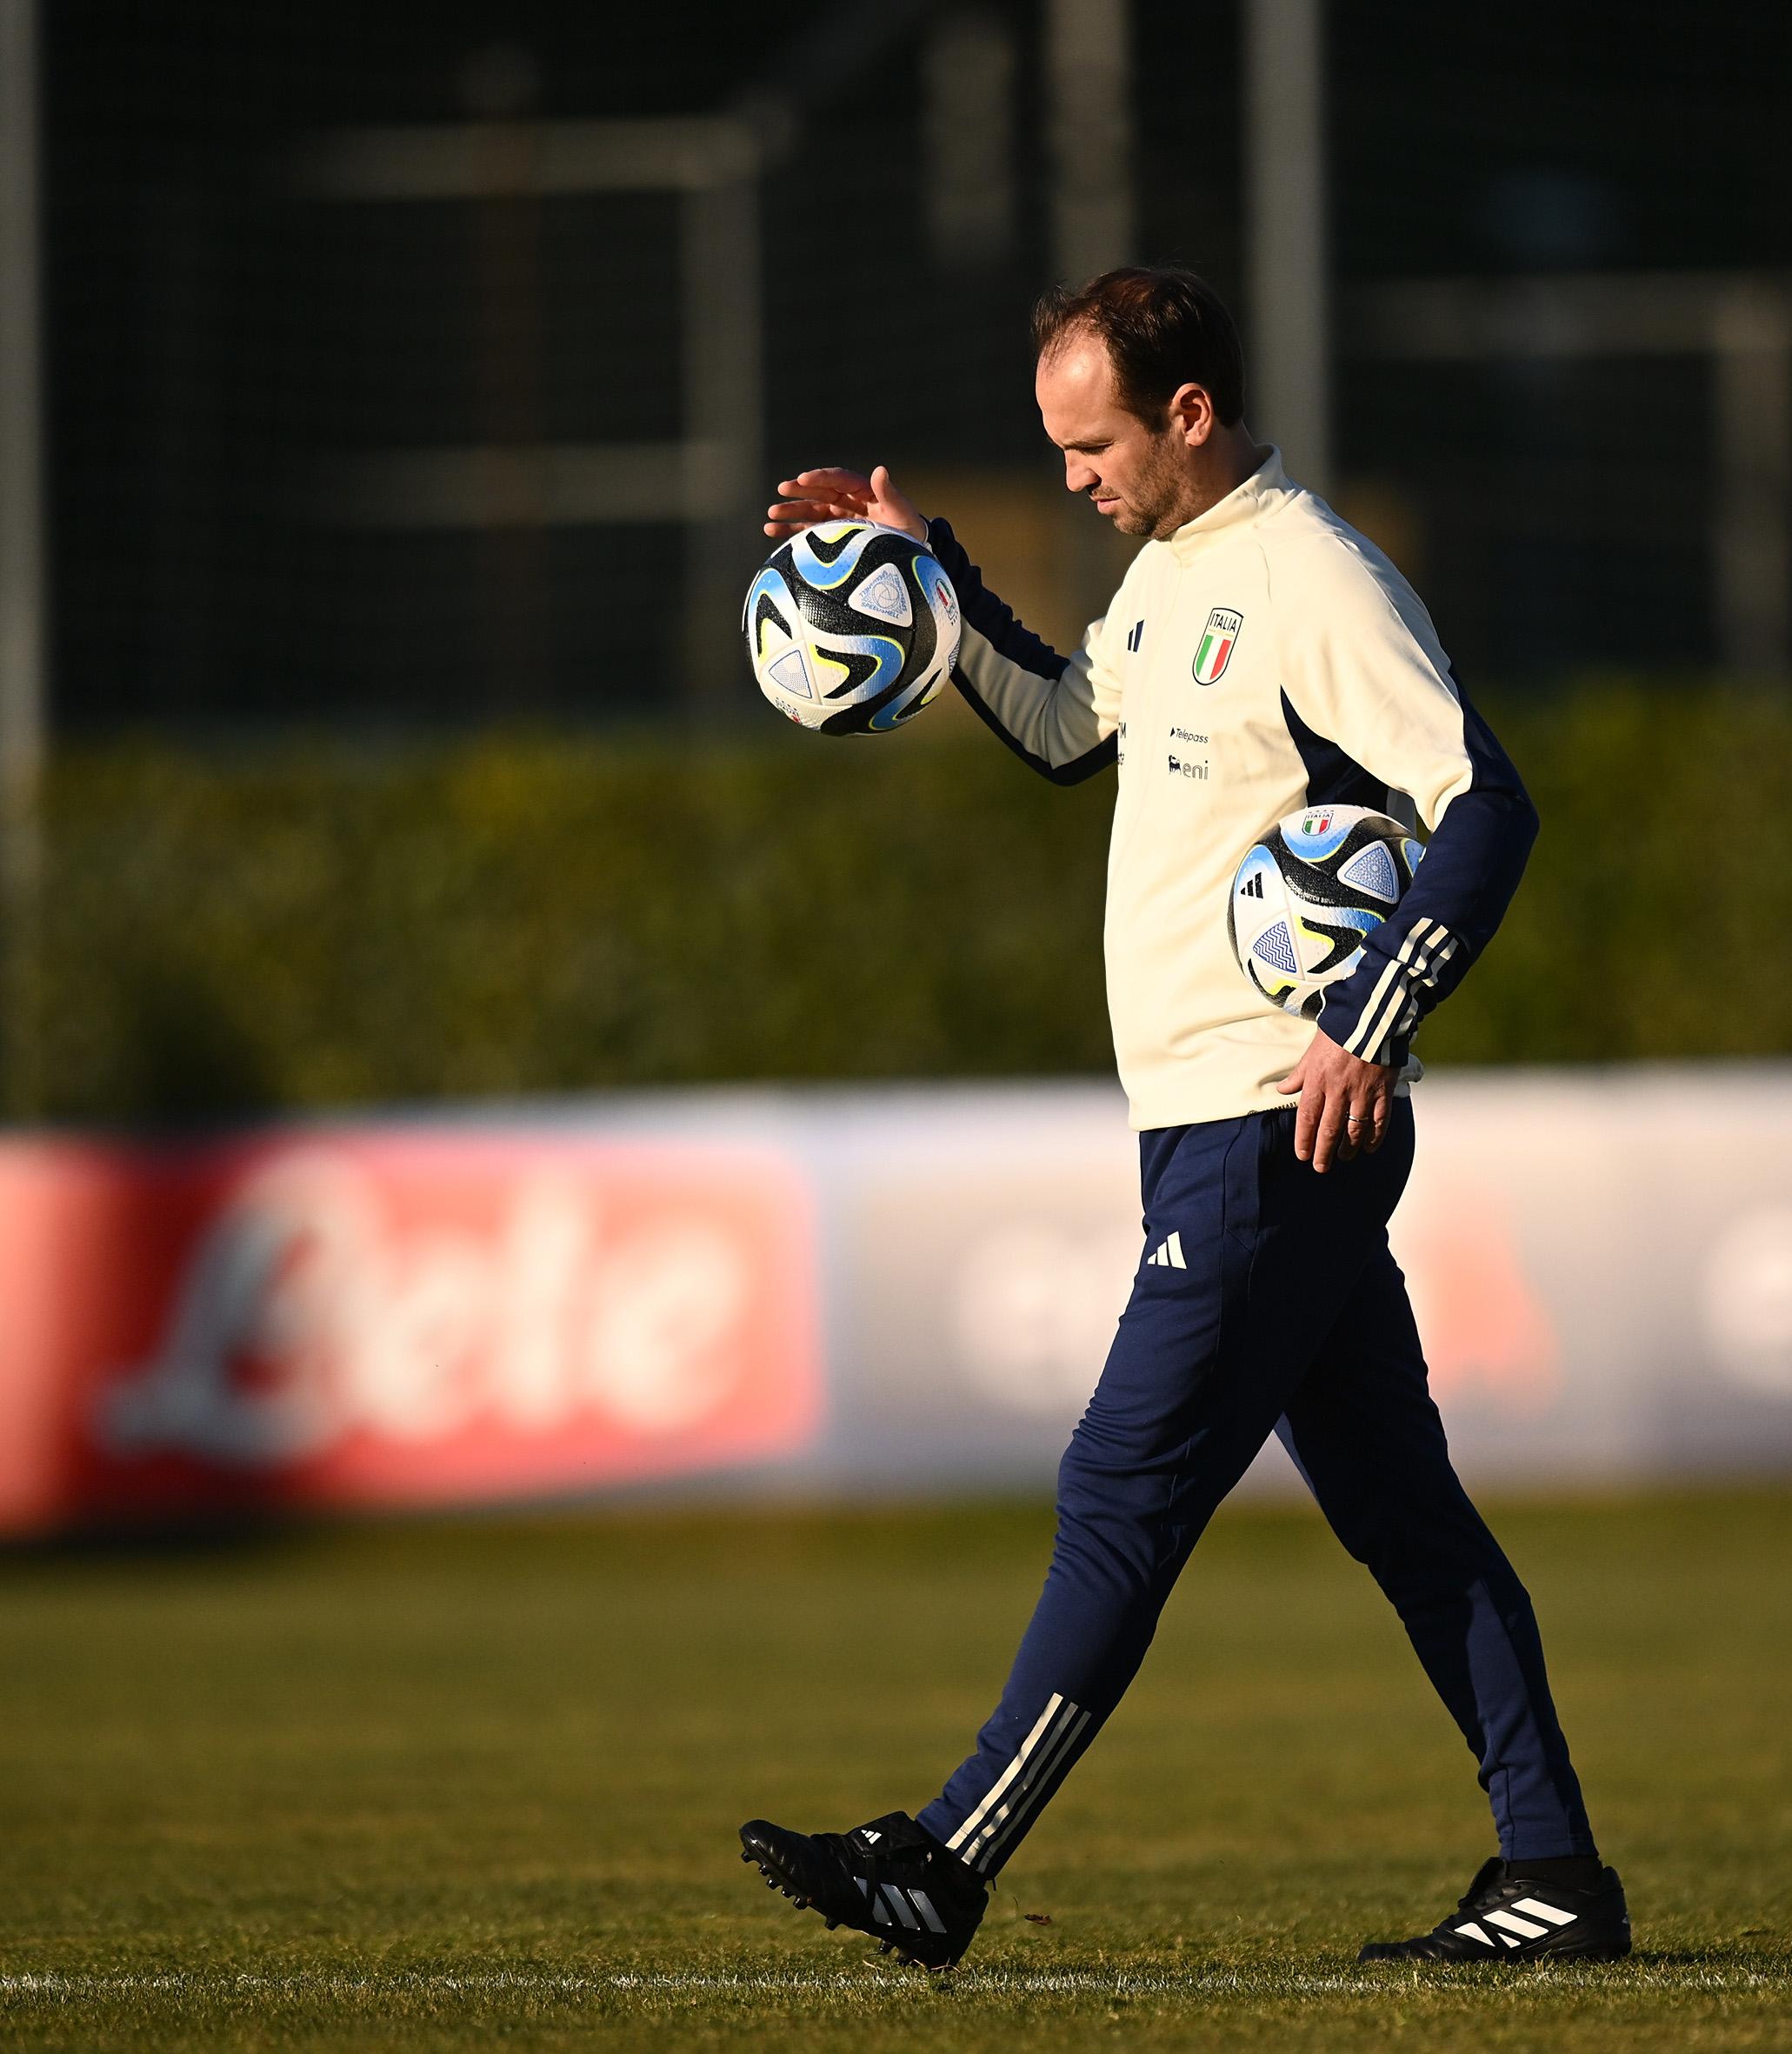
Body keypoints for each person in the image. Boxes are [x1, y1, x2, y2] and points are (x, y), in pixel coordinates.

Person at [737, 266, 1624, 1971]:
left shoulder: (1310, 578)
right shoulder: (1168, 578)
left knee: (1117, 1482)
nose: (1072, 472)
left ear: (1189, 412)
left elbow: (1482, 803)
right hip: (1206, 1126)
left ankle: (944, 1854)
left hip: (1268, 1127)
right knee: (1405, 1519)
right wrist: (927, 578)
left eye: (1091, 441)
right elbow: (1071, 729)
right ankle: (1554, 1875)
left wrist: (1372, 1020)